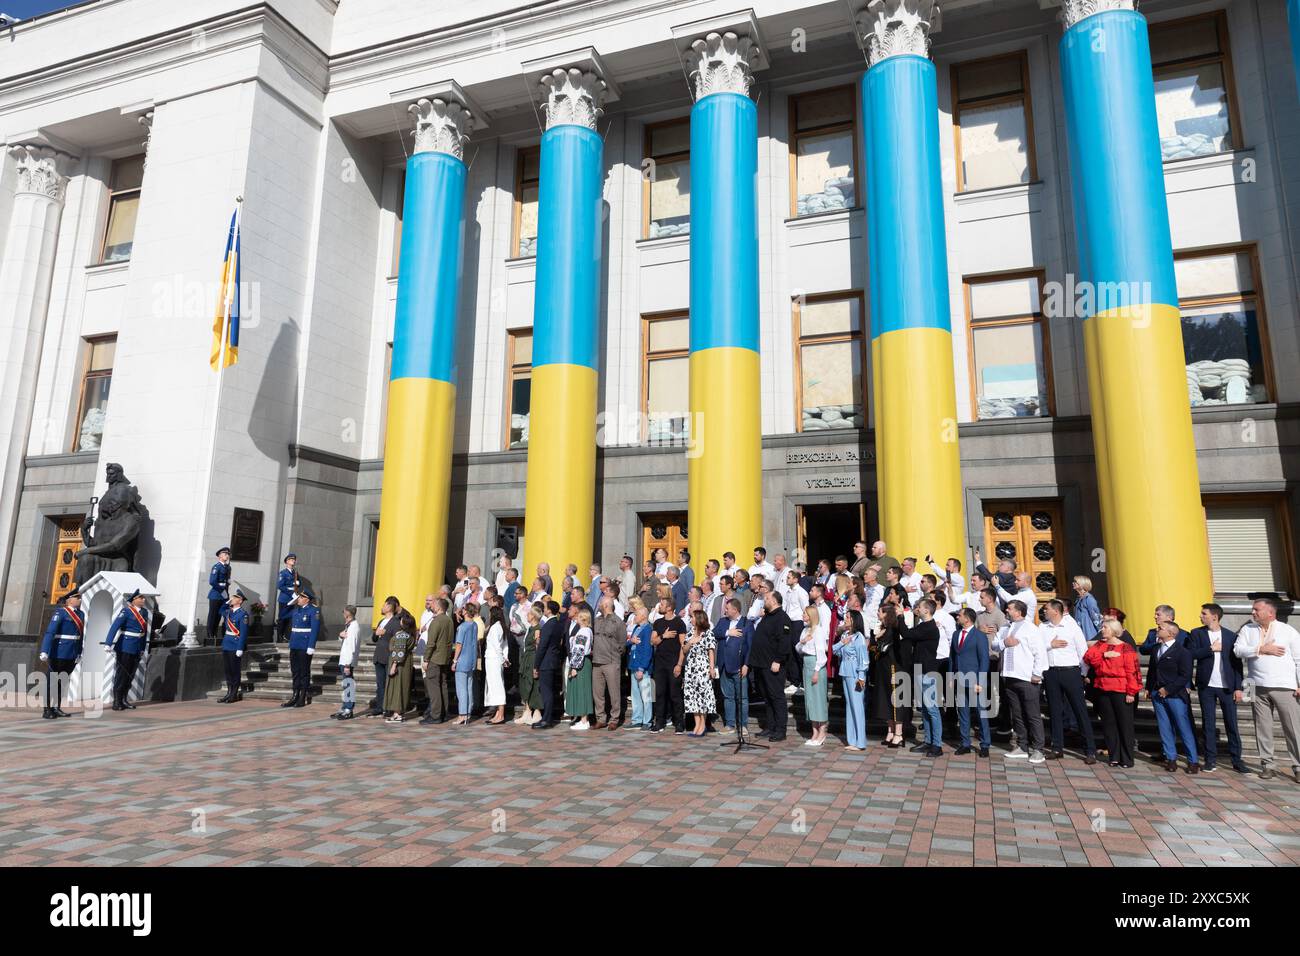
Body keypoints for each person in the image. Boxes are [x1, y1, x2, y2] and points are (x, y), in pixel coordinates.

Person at [1234, 596, 1300, 781]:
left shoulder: (1288, 631)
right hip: (1256, 684)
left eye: (1257, 610)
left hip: (1284, 685)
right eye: (1253, 609)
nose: (1253, 612)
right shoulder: (1248, 629)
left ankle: (1298, 766)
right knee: (1262, 727)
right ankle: (1267, 765)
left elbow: (1299, 659)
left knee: (1293, 728)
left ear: (1271, 613)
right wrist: (1261, 649)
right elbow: (1238, 650)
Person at [1186, 602, 1247, 773]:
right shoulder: (1196, 633)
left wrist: (1238, 687)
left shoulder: (1231, 636)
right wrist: (1210, 649)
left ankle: (1237, 760)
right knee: (1208, 723)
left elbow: (1237, 664)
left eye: (1204, 613)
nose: (1201, 616)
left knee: (1231, 724)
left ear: (1214, 616)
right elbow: (1190, 654)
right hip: (1207, 685)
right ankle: (1210, 760)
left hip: (1227, 686)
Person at [1040, 599, 1096, 763]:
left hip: (1070, 671)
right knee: (1055, 711)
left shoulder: (1071, 627)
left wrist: (1083, 673)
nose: (1044, 611)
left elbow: (1082, 651)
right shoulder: (1043, 628)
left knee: (1080, 710)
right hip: (1051, 671)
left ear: (1056, 611)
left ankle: (1090, 750)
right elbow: (1037, 647)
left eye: (1047, 608)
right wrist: (1050, 645)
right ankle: (1057, 747)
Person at [992, 599, 1047, 763]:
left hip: (1026, 677)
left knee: (1032, 714)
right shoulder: (1005, 628)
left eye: (1009, 609)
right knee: (1016, 714)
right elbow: (995, 644)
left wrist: (1037, 673)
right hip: (1009, 675)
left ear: (1019, 611)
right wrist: (1004, 642)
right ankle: (1022, 746)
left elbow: (1040, 652)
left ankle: (1038, 749)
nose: (1006, 611)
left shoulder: (1031, 628)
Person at [1083, 620, 1142, 768]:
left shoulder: (1125, 648)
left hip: (1121, 690)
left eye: (1105, 627)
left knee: (1125, 724)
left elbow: (1132, 671)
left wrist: (1131, 692)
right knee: (1109, 724)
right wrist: (1104, 655)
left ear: (1114, 630)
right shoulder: (1100, 645)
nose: (1102, 630)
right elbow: (1088, 658)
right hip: (1103, 688)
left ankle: (1127, 758)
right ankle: (1114, 756)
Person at [1145, 620, 1199, 773]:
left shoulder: (1183, 652)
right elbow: (1152, 671)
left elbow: (1185, 676)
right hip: (1157, 693)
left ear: (1171, 633)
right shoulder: (1156, 649)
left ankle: (1193, 761)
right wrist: (1149, 688)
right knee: (1164, 726)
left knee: (1183, 727)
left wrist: (1168, 690)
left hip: (1175, 695)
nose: (1157, 629)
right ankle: (1171, 758)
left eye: (1160, 628)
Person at [899, 598, 943, 757]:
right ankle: (928, 741)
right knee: (924, 709)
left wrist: (900, 616)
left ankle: (937, 745)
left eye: (920, 607)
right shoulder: (924, 626)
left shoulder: (930, 627)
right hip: (919, 670)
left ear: (927, 610)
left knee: (932, 709)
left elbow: (906, 633)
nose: (917, 608)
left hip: (928, 672)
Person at [750, 591, 794, 742]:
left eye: (767, 598)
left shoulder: (782, 618)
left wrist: (778, 660)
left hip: (773, 665)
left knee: (776, 697)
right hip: (761, 664)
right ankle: (771, 726)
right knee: (767, 698)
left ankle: (780, 730)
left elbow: (784, 642)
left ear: (775, 601)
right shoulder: (768, 616)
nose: (764, 600)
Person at [950, 608, 990, 757]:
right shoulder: (956, 634)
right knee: (963, 713)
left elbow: (984, 659)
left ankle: (985, 744)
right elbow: (952, 657)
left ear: (967, 619)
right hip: (960, 680)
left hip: (975, 681)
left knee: (981, 713)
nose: (957, 617)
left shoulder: (979, 636)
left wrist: (980, 681)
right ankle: (965, 743)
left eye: (959, 615)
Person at [103, 588, 151, 711]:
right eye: (141, 598)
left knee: (130, 674)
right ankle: (117, 701)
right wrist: (108, 643)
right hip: (125, 645)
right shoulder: (126, 611)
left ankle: (124, 699)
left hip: (136, 647)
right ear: (134, 600)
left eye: (143, 597)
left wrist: (142, 648)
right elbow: (115, 627)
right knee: (122, 674)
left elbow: (144, 632)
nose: (143, 599)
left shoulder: (144, 613)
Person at [39, 591, 85, 719]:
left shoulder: (81, 614)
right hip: (59, 652)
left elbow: (79, 636)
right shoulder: (61, 613)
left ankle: (57, 707)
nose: (79, 600)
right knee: (52, 681)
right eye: (77, 598)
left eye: (80, 598)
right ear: (69, 600)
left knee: (62, 681)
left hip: (71, 653)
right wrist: (44, 650)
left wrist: (79, 652)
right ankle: (47, 709)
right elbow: (50, 632)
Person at [712, 599, 752, 735]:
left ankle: (743, 725)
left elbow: (750, 646)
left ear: (735, 610)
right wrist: (728, 632)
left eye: (727, 609)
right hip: (724, 665)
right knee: (728, 696)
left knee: (742, 697)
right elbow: (714, 633)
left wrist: (746, 664)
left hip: (739, 666)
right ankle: (730, 724)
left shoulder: (747, 623)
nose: (725, 611)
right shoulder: (723, 622)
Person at [834, 609, 869, 751]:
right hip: (845, 673)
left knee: (857, 707)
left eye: (848, 617)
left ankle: (860, 741)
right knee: (850, 706)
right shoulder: (845, 635)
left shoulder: (859, 637)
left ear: (854, 620)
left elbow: (864, 659)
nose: (845, 619)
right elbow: (834, 650)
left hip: (855, 675)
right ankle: (852, 740)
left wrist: (861, 677)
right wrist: (843, 642)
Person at [870, 604, 905, 746]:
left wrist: (877, 639)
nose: (877, 613)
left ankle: (899, 733)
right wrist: (875, 637)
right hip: (881, 667)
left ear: (885, 614)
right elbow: (872, 648)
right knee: (884, 698)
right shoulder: (881, 628)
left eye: (879, 611)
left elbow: (883, 647)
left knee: (895, 699)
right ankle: (890, 731)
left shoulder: (892, 628)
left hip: (893, 667)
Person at [680, 609, 717, 738]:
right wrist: (690, 642)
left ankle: (702, 725)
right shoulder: (690, 633)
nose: (690, 619)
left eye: (692, 617)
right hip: (691, 668)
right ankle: (696, 724)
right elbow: (684, 650)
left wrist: (711, 668)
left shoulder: (708, 634)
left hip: (702, 667)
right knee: (692, 696)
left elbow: (711, 651)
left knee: (702, 696)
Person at [796, 605, 829, 746]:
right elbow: (798, 649)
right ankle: (814, 731)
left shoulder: (819, 631)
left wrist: (816, 671)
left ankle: (822, 732)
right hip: (806, 664)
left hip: (816, 666)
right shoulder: (805, 631)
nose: (803, 616)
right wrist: (802, 642)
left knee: (818, 699)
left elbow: (822, 654)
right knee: (810, 699)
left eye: (805, 613)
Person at [282, 589, 320, 708]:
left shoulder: (314, 610)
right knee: (295, 672)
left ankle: (302, 696)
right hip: (294, 644)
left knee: (304, 672)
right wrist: (290, 602)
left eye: (300, 597)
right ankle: (295, 695)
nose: (298, 599)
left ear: (307, 599)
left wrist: (311, 646)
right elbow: (283, 615)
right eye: (298, 597)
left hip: (304, 645)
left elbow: (314, 630)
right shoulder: (296, 610)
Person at [592, 597, 625, 729]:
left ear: (606, 605)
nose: (599, 604)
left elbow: (622, 644)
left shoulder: (618, 622)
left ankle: (614, 719)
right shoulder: (597, 620)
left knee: (614, 692)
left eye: (600, 603)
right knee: (598, 693)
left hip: (611, 662)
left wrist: (615, 654)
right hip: (596, 662)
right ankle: (601, 718)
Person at [420, 598, 454, 725]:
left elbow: (431, 643)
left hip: (435, 657)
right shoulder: (449, 620)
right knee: (442, 685)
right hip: (445, 657)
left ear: (439, 607)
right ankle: (444, 713)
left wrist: (426, 659)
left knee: (433, 687)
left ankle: (435, 715)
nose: (432, 606)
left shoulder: (436, 621)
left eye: (434, 604)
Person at [532, 601, 564, 729]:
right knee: (548, 690)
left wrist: (536, 665)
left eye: (545, 608)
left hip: (546, 661)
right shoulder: (557, 623)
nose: (543, 610)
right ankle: (546, 718)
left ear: (549, 610)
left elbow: (542, 647)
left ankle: (547, 719)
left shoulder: (548, 625)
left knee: (546, 691)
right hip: (553, 660)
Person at [368, 596, 400, 717]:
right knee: (380, 683)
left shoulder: (396, 623)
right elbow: (374, 638)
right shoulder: (381, 621)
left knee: (388, 683)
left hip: (388, 656)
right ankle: (380, 706)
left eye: (384, 605)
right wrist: (376, 634)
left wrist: (385, 633)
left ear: (389, 607)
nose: (382, 607)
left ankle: (388, 707)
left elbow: (397, 640)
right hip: (379, 656)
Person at [383, 610, 417, 722]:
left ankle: (397, 714)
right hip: (406, 662)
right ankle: (398, 712)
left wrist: (394, 665)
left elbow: (399, 651)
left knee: (397, 687)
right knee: (403, 686)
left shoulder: (402, 635)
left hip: (399, 664)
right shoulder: (410, 634)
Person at [451, 603, 481, 726]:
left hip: (462, 660)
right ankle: (467, 712)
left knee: (461, 689)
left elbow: (459, 644)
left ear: (466, 612)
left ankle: (462, 714)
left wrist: (454, 660)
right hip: (471, 659)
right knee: (468, 687)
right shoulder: (474, 625)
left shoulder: (463, 627)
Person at [626, 606, 655, 729]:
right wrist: (631, 641)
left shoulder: (648, 629)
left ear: (643, 616)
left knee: (646, 695)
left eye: (636, 615)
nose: (634, 617)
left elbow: (647, 650)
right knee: (636, 695)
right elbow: (629, 643)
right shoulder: (637, 628)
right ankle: (637, 719)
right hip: (633, 664)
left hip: (642, 667)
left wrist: (642, 668)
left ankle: (647, 720)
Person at [218, 590, 249, 705]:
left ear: (240, 601)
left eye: (234, 597)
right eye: (232, 597)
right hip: (227, 643)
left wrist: (240, 648)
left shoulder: (243, 614)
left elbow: (244, 633)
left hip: (235, 645)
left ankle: (234, 694)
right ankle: (229, 692)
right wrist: (227, 602)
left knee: (234, 670)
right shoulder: (228, 611)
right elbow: (219, 611)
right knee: (228, 670)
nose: (232, 598)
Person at [565, 608, 595, 730]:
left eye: (578, 616)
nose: (576, 617)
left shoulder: (583, 631)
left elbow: (579, 649)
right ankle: (582, 718)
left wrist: (575, 667)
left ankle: (584, 720)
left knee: (582, 689)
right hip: (583, 661)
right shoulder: (587, 630)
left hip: (581, 663)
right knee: (581, 689)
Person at [515, 605, 544, 725]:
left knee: (534, 684)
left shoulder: (538, 629)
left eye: (528, 614)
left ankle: (537, 711)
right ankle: (527, 711)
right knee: (524, 683)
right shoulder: (529, 628)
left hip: (533, 659)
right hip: (526, 658)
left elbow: (538, 647)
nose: (527, 615)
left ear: (533, 616)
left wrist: (537, 665)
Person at [332, 604, 360, 720]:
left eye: (344, 612)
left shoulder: (353, 626)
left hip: (347, 661)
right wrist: (340, 635)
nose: (343, 614)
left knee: (348, 684)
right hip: (344, 659)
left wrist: (348, 664)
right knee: (346, 684)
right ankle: (344, 707)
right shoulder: (349, 625)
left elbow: (352, 647)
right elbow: (343, 639)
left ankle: (348, 708)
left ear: (348, 614)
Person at [483, 605, 509, 725]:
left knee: (497, 686)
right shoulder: (501, 627)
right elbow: (505, 646)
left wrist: (502, 659)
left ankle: (501, 714)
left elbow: (497, 647)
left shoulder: (494, 628)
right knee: (496, 685)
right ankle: (499, 713)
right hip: (495, 660)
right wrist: (505, 658)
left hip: (493, 660)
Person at [207, 546, 232, 641]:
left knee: (219, 616)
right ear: (220, 556)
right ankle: (210, 635)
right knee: (213, 615)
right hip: (216, 594)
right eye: (225, 554)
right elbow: (212, 581)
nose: (227, 556)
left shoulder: (228, 567)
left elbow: (227, 580)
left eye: (228, 554)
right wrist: (222, 591)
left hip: (224, 595)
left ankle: (215, 635)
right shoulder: (216, 567)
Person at [275, 553, 300, 644]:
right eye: (291, 559)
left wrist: (298, 583)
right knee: (282, 618)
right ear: (287, 562)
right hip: (285, 598)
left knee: (289, 618)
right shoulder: (283, 573)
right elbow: (280, 586)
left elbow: (298, 584)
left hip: (293, 599)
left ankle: (285, 636)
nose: (293, 561)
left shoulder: (295, 573)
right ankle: (279, 638)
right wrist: (291, 593)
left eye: (294, 559)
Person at [1071, 575, 1102, 642]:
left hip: (1089, 634)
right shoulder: (1078, 599)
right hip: (1080, 633)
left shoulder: (1089, 599)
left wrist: (1100, 633)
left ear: (1082, 584)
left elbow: (1095, 616)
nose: (1073, 583)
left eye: (1075, 582)